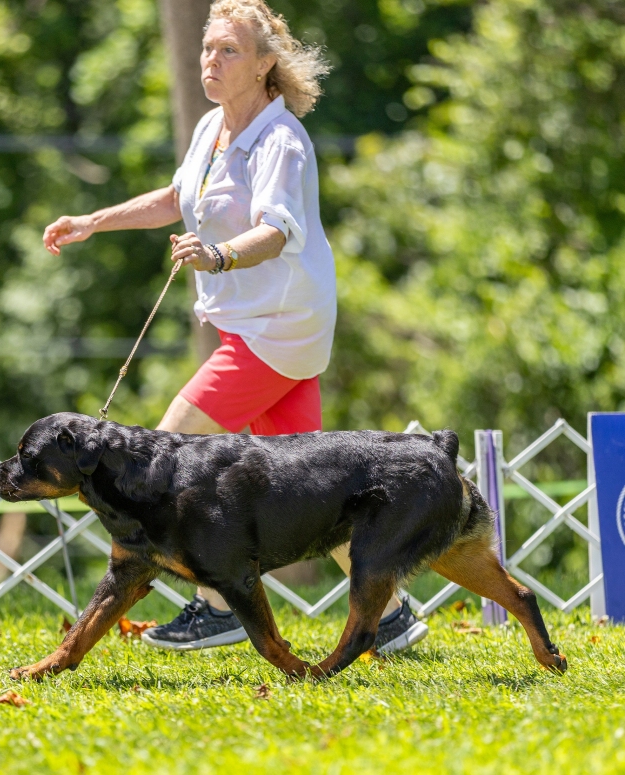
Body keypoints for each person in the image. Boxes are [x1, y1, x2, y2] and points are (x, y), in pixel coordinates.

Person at [42, 0, 428, 655]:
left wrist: (218, 255)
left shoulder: (281, 142)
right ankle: (389, 614)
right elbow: (177, 199)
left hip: (276, 330)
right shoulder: (211, 128)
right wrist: (92, 222)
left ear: (263, 65)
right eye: (206, 49)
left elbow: (275, 231)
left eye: (228, 51)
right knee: (312, 488)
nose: (210, 61)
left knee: (168, 450)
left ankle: (216, 605)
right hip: (253, 327)